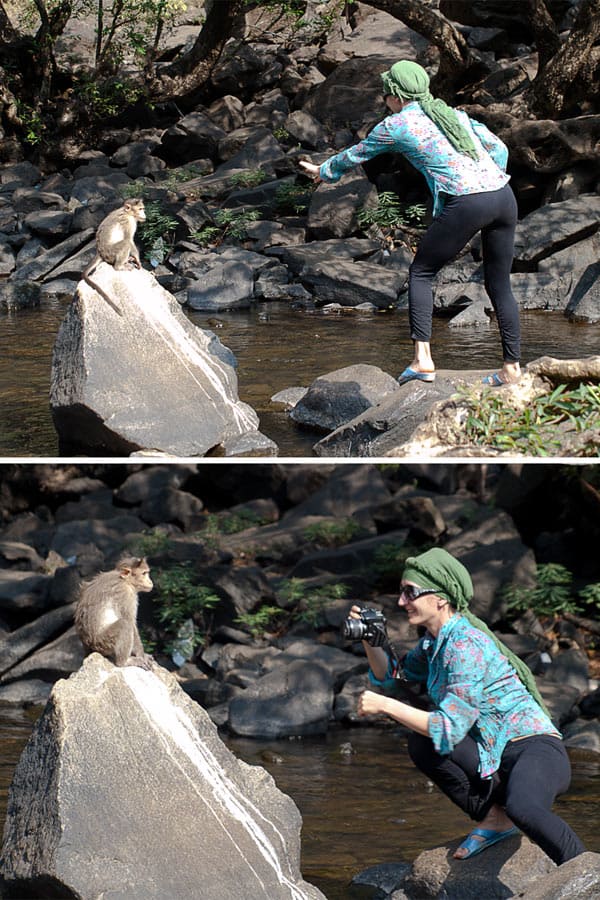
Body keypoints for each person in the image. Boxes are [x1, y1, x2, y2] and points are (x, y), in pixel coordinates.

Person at [351, 547, 585, 864]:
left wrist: (387, 707)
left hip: (534, 749)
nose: (401, 602)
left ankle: (586, 873)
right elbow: (393, 677)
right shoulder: (433, 643)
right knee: (422, 742)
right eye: (401, 592)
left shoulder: (465, 645)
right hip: (493, 753)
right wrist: (371, 638)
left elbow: (450, 728)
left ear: (441, 598)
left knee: (524, 808)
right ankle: (495, 820)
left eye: (410, 592)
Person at [299, 60, 521, 387]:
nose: (384, 98)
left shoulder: (397, 125)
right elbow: (498, 148)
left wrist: (324, 171)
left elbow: (358, 153)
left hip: (468, 201)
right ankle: (512, 370)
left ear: (396, 95)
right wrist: (487, 180)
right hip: (503, 196)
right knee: (500, 284)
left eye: (386, 92)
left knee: (421, 272)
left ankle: (422, 360)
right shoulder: (453, 114)